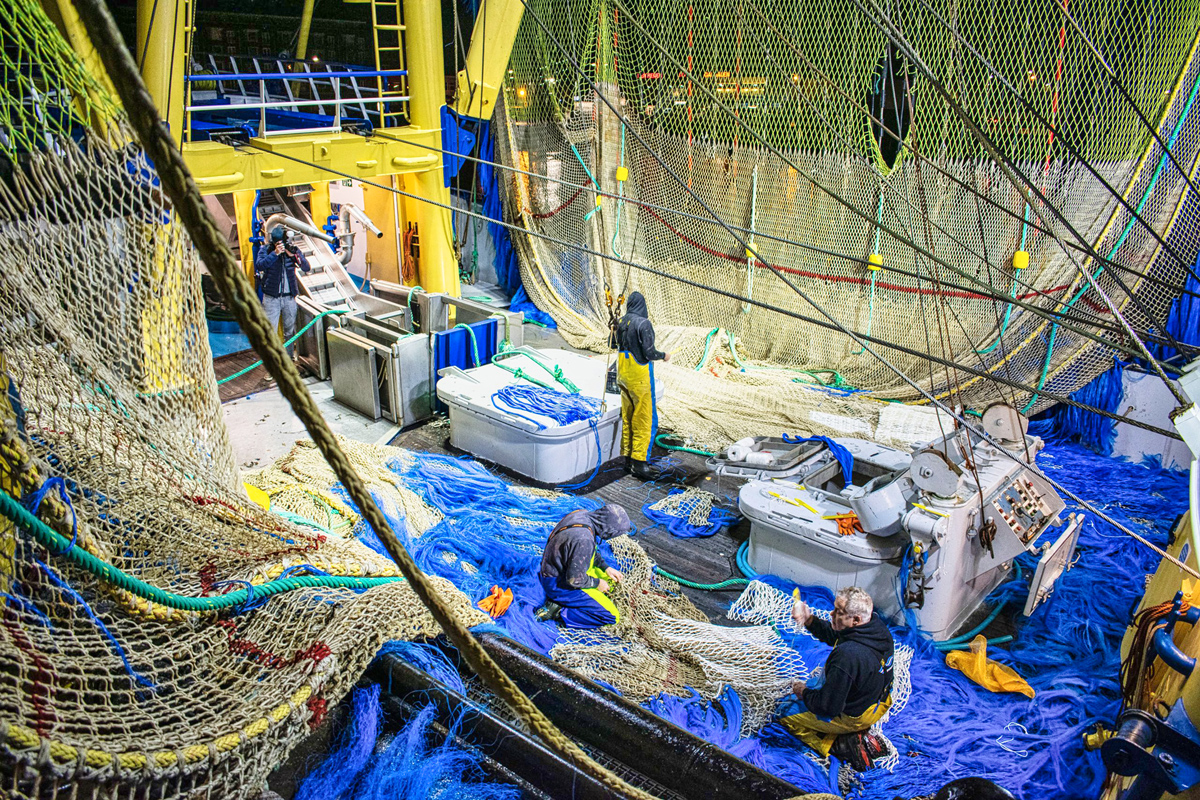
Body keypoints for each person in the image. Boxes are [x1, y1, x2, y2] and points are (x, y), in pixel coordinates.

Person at [779, 586, 894, 768]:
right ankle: (852, 732)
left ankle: (840, 744)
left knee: (785, 713)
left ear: (856, 619)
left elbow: (828, 707)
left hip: (856, 716)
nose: (831, 613)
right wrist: (809, 620)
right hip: (879, 702)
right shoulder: (876, 629)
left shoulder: (847, 656)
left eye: (838, 612)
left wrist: (803, 692)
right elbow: (837, 636)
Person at [535, 504, 630, 628]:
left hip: (558, 567)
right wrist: (597, 583)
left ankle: (587, 597)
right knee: (612, 616)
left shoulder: (582, 514)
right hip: (558, 584)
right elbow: (574, 580)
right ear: (608, 531)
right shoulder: (584, 540)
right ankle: (559, 611)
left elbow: (587, 552)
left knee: (611, 581)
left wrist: (606, 567)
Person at [615, 291, 670, 480]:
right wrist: (663, 356)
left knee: (629, 418)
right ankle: (640, 464)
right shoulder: (643, 323)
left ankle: (628, 460)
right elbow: (649, 353)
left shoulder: (621, 322)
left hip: (623, 375)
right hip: (639, 377)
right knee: (645, 420)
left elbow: (613, 344)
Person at [254, 226, 310, 359]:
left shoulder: (292, 250)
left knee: (289, 331)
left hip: (289, 298)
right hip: (271, 298)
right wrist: (275, 254)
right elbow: (260, 265)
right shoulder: (266, 250)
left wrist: (294, 256)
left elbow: (306, 267)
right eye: (278, 243)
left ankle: (289, 358)